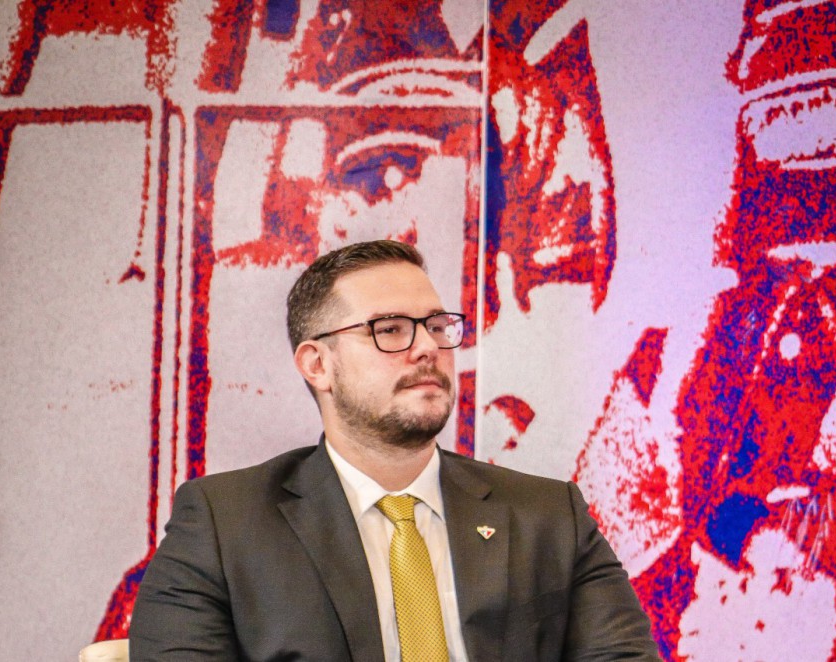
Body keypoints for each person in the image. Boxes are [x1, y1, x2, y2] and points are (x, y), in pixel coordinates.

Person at [130, 239, 660, 660]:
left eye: (435, 326)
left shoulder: (549, 516)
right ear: (318, 365)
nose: (427, 347)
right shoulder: (225, 524)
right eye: (390, 330)